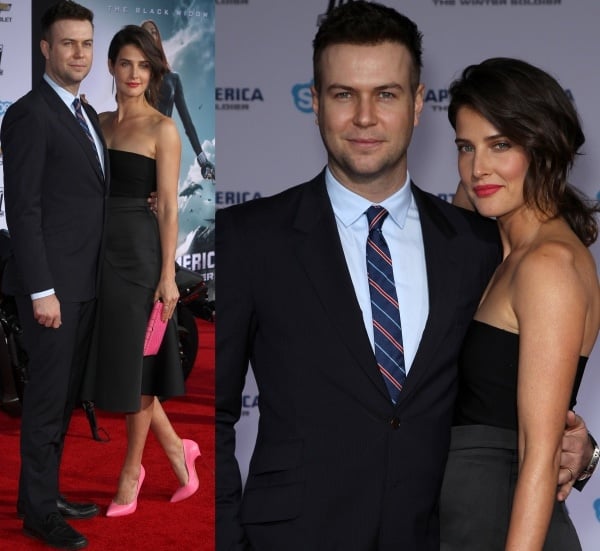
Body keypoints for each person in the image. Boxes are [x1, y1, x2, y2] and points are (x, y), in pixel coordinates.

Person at [215, 2, 597, 550]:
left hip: (438, 535)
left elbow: (520, 383)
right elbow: (210, 412)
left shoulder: (475, 242)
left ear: (418, 103)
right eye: (344, 94)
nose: (365, 118)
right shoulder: (250, 237)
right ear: (317, 102)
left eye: (387, 94)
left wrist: (580, 448)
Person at [439, 58, 600, 551]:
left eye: (500, 145)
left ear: (542, 147)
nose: (477, 167)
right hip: (453, 521)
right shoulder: (484, 240)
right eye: (466, 147)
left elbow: (538, 452)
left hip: (503, 528)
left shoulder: (549, 265)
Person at [81, 24, 200, 517]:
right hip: (96, 255)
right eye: (125, 63)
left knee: (140, 367)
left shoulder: (162, 129)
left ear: (153, 72)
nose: (133, 73)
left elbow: (169, 206)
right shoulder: (98, 123)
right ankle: (177, 449)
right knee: (119, 362)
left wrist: (168, 275)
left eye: (143, 65)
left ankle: (132, 469)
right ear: (111, 65)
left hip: (140, 258)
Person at [0, 1, 103, 548]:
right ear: (45, 48)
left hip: (83, 287)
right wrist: (43, 290)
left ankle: (42, 494)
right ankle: (38, 515)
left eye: (86, 43)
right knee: (44, 405)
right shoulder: (28, 114)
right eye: (68, 43)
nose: (79, 53)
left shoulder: (83, 113)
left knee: (62, 401)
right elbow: (24, 210)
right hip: (52, 292)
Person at [140, 18, 215, 180]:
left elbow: (188, 123)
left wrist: (203, 161)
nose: (151, 34)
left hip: (164, 147)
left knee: (162, 200)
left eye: (154, 31)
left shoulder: (173, 78)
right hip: (138, 145)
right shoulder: (135, 74)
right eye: (146, 32)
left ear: (158, 37)